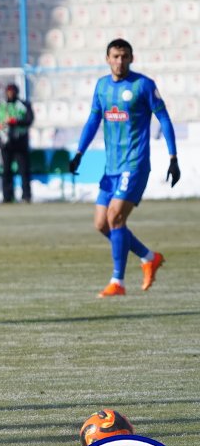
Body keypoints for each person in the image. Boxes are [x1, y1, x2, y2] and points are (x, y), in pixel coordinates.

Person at [69, 38, 179, 298]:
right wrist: (79, 153)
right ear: (107, 59)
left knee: (116, 217)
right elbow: (93, 119)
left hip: (135, 164)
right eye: (115, 56)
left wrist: (173, 157)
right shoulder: (102, 87)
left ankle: (117, 281)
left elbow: (163, 117)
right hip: (112, 167)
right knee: (101, 224)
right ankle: (148, 257)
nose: (120, 61)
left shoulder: (143, 85)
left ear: (132, 58)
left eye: (124, 56)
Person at [0, 83, 35, 204]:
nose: (10, 94)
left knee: (24, 170)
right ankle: (7, 196)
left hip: (20, 141)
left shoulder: (23, 105)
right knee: (6, 170)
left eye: (12, 92)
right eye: (8, 91)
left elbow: (29, 119)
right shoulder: (1, 105)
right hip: (6, 142)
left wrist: (16, 122)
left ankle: (26, 195)